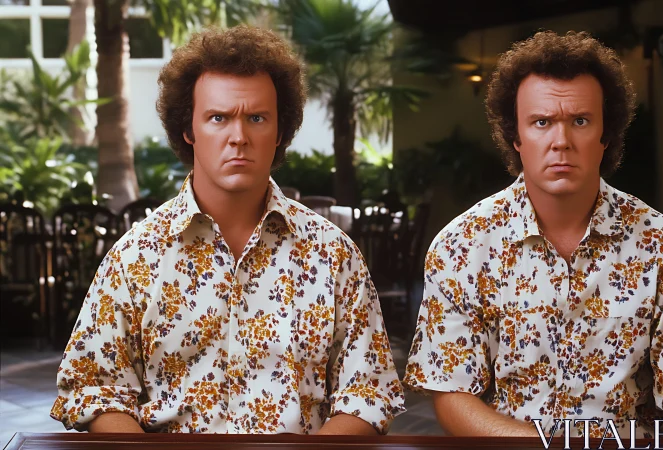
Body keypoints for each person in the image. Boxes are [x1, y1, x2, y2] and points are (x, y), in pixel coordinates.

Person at [51, 25, 404, 435]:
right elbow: (94, 390)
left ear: (280, 132)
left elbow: (368, 394)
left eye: (257, 118)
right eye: (218, 117)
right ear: (188, 130)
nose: (239, 137)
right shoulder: (135, 256)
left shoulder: (333, 254)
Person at [403, 31, 663, 439]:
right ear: (516, 137)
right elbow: (452, 392)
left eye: (580, 121)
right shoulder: (462, 245)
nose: (560, 142)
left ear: (606, 136)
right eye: (541, 122)